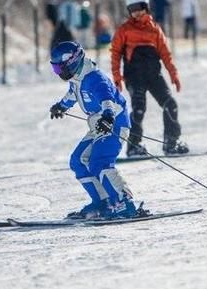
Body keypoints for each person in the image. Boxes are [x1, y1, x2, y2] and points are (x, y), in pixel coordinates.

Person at [49, 40, 142, 219]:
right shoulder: (77, 77)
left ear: (72, 61)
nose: (59, 73)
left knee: (100, 161)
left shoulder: (94, 77)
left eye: (59, 69)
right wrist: (61, 106)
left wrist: (108, 115)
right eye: (55, 70)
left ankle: (124, 202)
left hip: (113, 123)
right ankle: (103, 202)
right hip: (98, 125)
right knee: (78, 161)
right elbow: (73, 94)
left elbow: (107, 97)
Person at [111, 0, 188, 157]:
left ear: (146, 7)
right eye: (132, 9)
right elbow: (115, 53)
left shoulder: (155, 30)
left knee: (170, 105)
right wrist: (117, 77)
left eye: (139, 7)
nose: (136, 12)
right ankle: (133, 146)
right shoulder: (124, 30)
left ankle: (171, 142)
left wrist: (173, 75)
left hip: (154, 76)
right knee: (139, 109)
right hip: (134, 76)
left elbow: (166, 54)